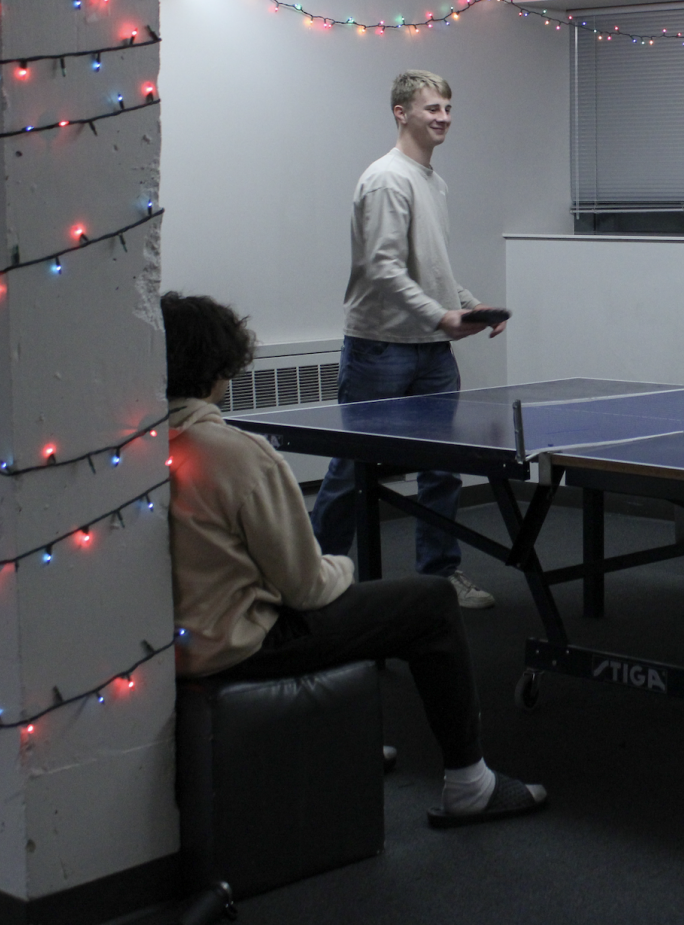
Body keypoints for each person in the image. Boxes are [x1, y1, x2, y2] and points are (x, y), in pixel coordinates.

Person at [163, 291, 546, 826]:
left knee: (348, 607)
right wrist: (340, 568)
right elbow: (308, 588)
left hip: (166, 647)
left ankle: (344, 742)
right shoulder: (236, 454)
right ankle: (470, 784)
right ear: (220, 367)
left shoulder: (132, 450)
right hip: (238, 644)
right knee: (429, 601)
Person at [312, 70, 503, 609]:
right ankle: (313, 582)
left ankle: (440, 576)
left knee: (441, 469)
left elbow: (430, 267)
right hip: (381, 348)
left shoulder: (432, 181)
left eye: (446, 107)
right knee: (351, 469)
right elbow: (383, 271)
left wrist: (467, 304)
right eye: (430, 108)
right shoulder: (386, 180)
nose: (442, 117)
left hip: (430, 350)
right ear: (401, 113)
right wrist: (441, 317)